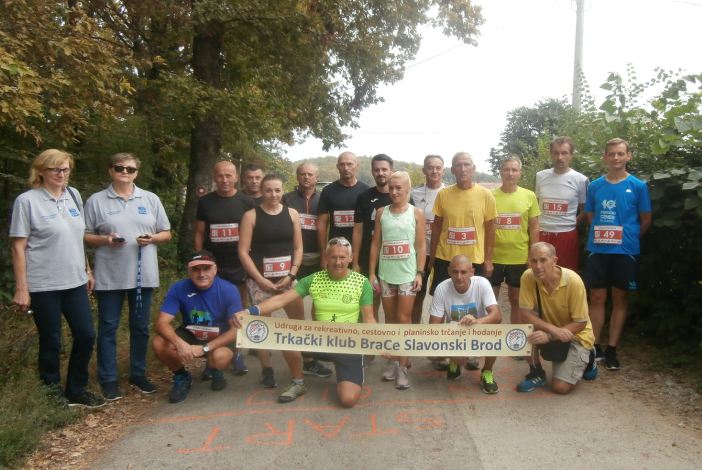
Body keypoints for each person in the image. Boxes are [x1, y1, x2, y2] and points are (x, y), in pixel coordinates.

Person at [10, 149, 105, 408]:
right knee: (51, 340)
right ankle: (52, 396)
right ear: (41, 171)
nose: (61, 174)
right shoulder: (27, 201)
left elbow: (76, 237)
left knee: (86, 335)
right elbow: (19, 247)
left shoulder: (73, 195)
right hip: (44, 283)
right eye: (55, 170)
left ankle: (76, 390)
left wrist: (86, 269)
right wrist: (22, 288)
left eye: (65, 169)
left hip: (74, 281)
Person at [235, 237, 376, 407]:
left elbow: (369, 318)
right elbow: (281, 300)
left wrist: (381, 342)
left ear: (350, 258)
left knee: (348, 400)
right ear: (326, 257)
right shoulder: (314, 279)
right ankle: (298, 382)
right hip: (318, 339)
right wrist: (249, 311)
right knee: (286, 333)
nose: (338, 262)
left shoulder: (362, 283)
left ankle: (346, 369)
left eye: (342, 257)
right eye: (333, 257)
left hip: (348, 343)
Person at [84, 153, 172, 401]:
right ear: (110, 170)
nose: (125, 172)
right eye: (119, 168)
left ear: (137, 172)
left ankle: (138, 374)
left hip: (143, 275)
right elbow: (85, 235)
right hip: (109, 275)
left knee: (140, 327)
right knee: (108, 328)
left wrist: (151, 239)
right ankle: (109, 379)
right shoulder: (96, 200)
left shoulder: (150, 198)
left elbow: (166, 232)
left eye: (130, 169)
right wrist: (105, 240)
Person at [238, 173, 331, 399]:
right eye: (268, 190)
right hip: (261, 280)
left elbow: (298, 247)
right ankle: (267, 369)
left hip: (287, 279)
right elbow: (242, 251)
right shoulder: (251, 216)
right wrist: (260, 280)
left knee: (297, 323)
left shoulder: (292, 214)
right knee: (262, 326)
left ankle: (306, 362)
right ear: (262, 191)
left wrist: (292, 273)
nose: (273, 195)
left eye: (277, 190)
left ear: (283, 191)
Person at [584, 138, 652, 370]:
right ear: (605, 157)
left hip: (625, 251)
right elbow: (590, 216)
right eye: (611, 154)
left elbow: (645, 220)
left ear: (628, 156)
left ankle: (612, 349)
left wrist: (628, 239)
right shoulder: (594, 186)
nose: (615, 158)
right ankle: (594, 346)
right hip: (598, 249)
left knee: (620, 298)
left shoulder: (638, 186)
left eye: (620, 154)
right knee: (597, 298)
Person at [152, 251, 242, 403]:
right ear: (189, 271)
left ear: (215, 270)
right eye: (196, 269)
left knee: (220, 358)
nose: (201, 274)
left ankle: (215, 370)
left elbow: (236, 330)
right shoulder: (178, 288)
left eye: (206, 269)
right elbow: (161, 323)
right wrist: (180, 344)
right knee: (159, 343)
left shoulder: (229, 289)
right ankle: (181, 376)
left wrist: (205, 348)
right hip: (191, 334)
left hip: (220, 337)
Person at [194, 160, 255, 375]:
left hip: (239, 264)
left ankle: (236, 352)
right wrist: (199, 261)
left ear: (236, 177)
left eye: (229, 175)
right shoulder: (206, 202)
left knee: (238, 311)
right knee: (212, 311)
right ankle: (211, 359)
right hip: (213, 266)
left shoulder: (247, 202)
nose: (225, 180)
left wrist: (251, 262)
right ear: (214, 177)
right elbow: (200, 233)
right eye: (220, 176)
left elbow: (254, 234)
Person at [368, 171, 425, 390]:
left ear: (407, 189)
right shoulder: (381, 212)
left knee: (404, 319)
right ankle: (392, 360)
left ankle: (403, 366)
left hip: (407, 276)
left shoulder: (416, 213)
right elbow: (375, 243)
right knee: (390, 320)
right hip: (386, 276)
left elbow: (420, 246)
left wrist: (419, 272)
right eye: (391, 188)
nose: (394, 192)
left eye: (398, 188)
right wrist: (372, 273)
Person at [516, 242, 596, 394]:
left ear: (555, 260)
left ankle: (589, 357)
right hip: (550, 329)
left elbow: (580, 322)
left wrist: (550, 334)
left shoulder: (573, 281)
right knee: (524, 326)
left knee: (560, 387)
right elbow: (525, 313)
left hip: (576, 335)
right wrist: (551, 332)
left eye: (543, 260)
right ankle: (536, 372)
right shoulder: (527, 277)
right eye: (533, 261)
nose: (538, 266)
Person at [428, 255, 501, 393]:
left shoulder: (482, 283)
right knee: (432, 354)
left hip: (479, 331)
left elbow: (497, 316)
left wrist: (476, 321)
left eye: (463, 272)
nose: (459, 276)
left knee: (495, 330)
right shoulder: (441, 288)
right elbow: (434, 327)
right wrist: (451, 351)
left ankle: (487, 371)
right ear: (449, 271)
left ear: (472, 272)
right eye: (455, 272)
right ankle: (454, 361)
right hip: (454, 335)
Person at [489, 157, 540, 325]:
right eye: (506, 170)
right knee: (490, 302)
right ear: (501, 172)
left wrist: (533, 257)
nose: (510, 173)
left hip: (519, 257)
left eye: (514, 170)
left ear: (520, 173)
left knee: (517, 300)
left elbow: (533, 227)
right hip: (494, 258)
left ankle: (515, 341)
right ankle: (490, 342)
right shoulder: (490, 196)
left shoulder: (529, 195)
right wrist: (486, 258)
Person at [535, 137, 589, 271]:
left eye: (564, 153)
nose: (560, 157)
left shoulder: (581, 180)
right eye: (556, 153)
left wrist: (570, 223)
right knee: (541, 274)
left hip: (566, 235)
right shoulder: (540, 176)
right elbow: (535, 206)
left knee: (565, 275)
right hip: (542, 234)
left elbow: (585, 210)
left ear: (571, 155)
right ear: (551, 154)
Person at [316, 151, 369, 268]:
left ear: (357, 165)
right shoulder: (328, 191)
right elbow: (321, 225)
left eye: (349, 164)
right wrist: (324, 255)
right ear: (337, 167)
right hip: (336, 253)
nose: (346, 168)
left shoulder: (366, 191)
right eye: (342, 164)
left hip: (361, 252)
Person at [410, 154, 445, 325]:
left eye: (438, 167)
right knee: (417, 294)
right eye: (430, 167)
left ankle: (439, 338)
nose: (434, 171)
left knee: (443, 297)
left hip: (442, 254)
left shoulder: (449, 192)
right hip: (419, 253)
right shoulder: (414, 193)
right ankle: (416, 334)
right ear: (424, 170)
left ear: (443, 171)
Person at [283, 162, 322, 280]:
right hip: (293, 257)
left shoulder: (323, 199)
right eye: (302, 174)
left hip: (318, 257)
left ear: (317, 178)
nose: (306, 177)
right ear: (297, 176)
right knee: (295, 296)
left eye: (310, 174)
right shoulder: (286, 199)